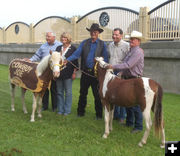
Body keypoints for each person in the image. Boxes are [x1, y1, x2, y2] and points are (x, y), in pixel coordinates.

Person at [64, 23, 108, 120]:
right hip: (85, 72)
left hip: (96, 74)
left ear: (98, 33)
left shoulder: (102, 44)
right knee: (82, 93)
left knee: (97, 95)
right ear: (90, 32)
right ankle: (80, 112)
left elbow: (106, 58)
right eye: (92, 31)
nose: (93, 33)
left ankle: (99, 115)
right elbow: (76, 54)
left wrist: (100, 59)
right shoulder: (84, 43)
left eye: (95, 32)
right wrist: (67, 60)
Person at [108, 30, 144, 133]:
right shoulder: (132, 50)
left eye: (133, 39)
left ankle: (138, 126)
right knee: (129, 102)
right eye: (131, 39)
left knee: (136, 104)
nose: (131, 41)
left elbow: (128, 65)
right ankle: (129, 122)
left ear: (138, 41)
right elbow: (125, 64)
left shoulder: (138, 52)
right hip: (128, 79)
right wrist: (121, 73)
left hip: (135, 79)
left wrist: (113, 67)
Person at [29, 32, 62, 111]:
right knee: (44, 89)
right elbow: (37, 55)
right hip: (44, 71)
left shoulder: (59, 45)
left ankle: (54, 107)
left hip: (54, 71)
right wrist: (30, 60)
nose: (47, 38)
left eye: (49, 36)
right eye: (46, 36)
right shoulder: (43, 46)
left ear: (54, 37)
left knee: (54, 89)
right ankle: (45, 106)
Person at [108, 28, 130, 123]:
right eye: (113, 34)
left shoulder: (127, 45)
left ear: (121, 35)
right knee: (113, 94)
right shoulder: (110, 45)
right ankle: (115, 115)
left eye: (116, 35)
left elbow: (128, 61)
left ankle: (122, 116)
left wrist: (122, 72)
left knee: (122, 94)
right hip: (111, 72)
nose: (114, 36)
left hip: (121, 72)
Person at [56, 32, 78, 116]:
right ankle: (60, 110)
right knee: (59, 92)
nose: (63, 39)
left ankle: (67, 111)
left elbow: (76, 62)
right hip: (59, 73)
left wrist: (74, 72)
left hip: (68, 73)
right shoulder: (58, 48)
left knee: (68, 93)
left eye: (65, 37)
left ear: (68, 39)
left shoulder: (73, 49)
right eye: (62, 37)